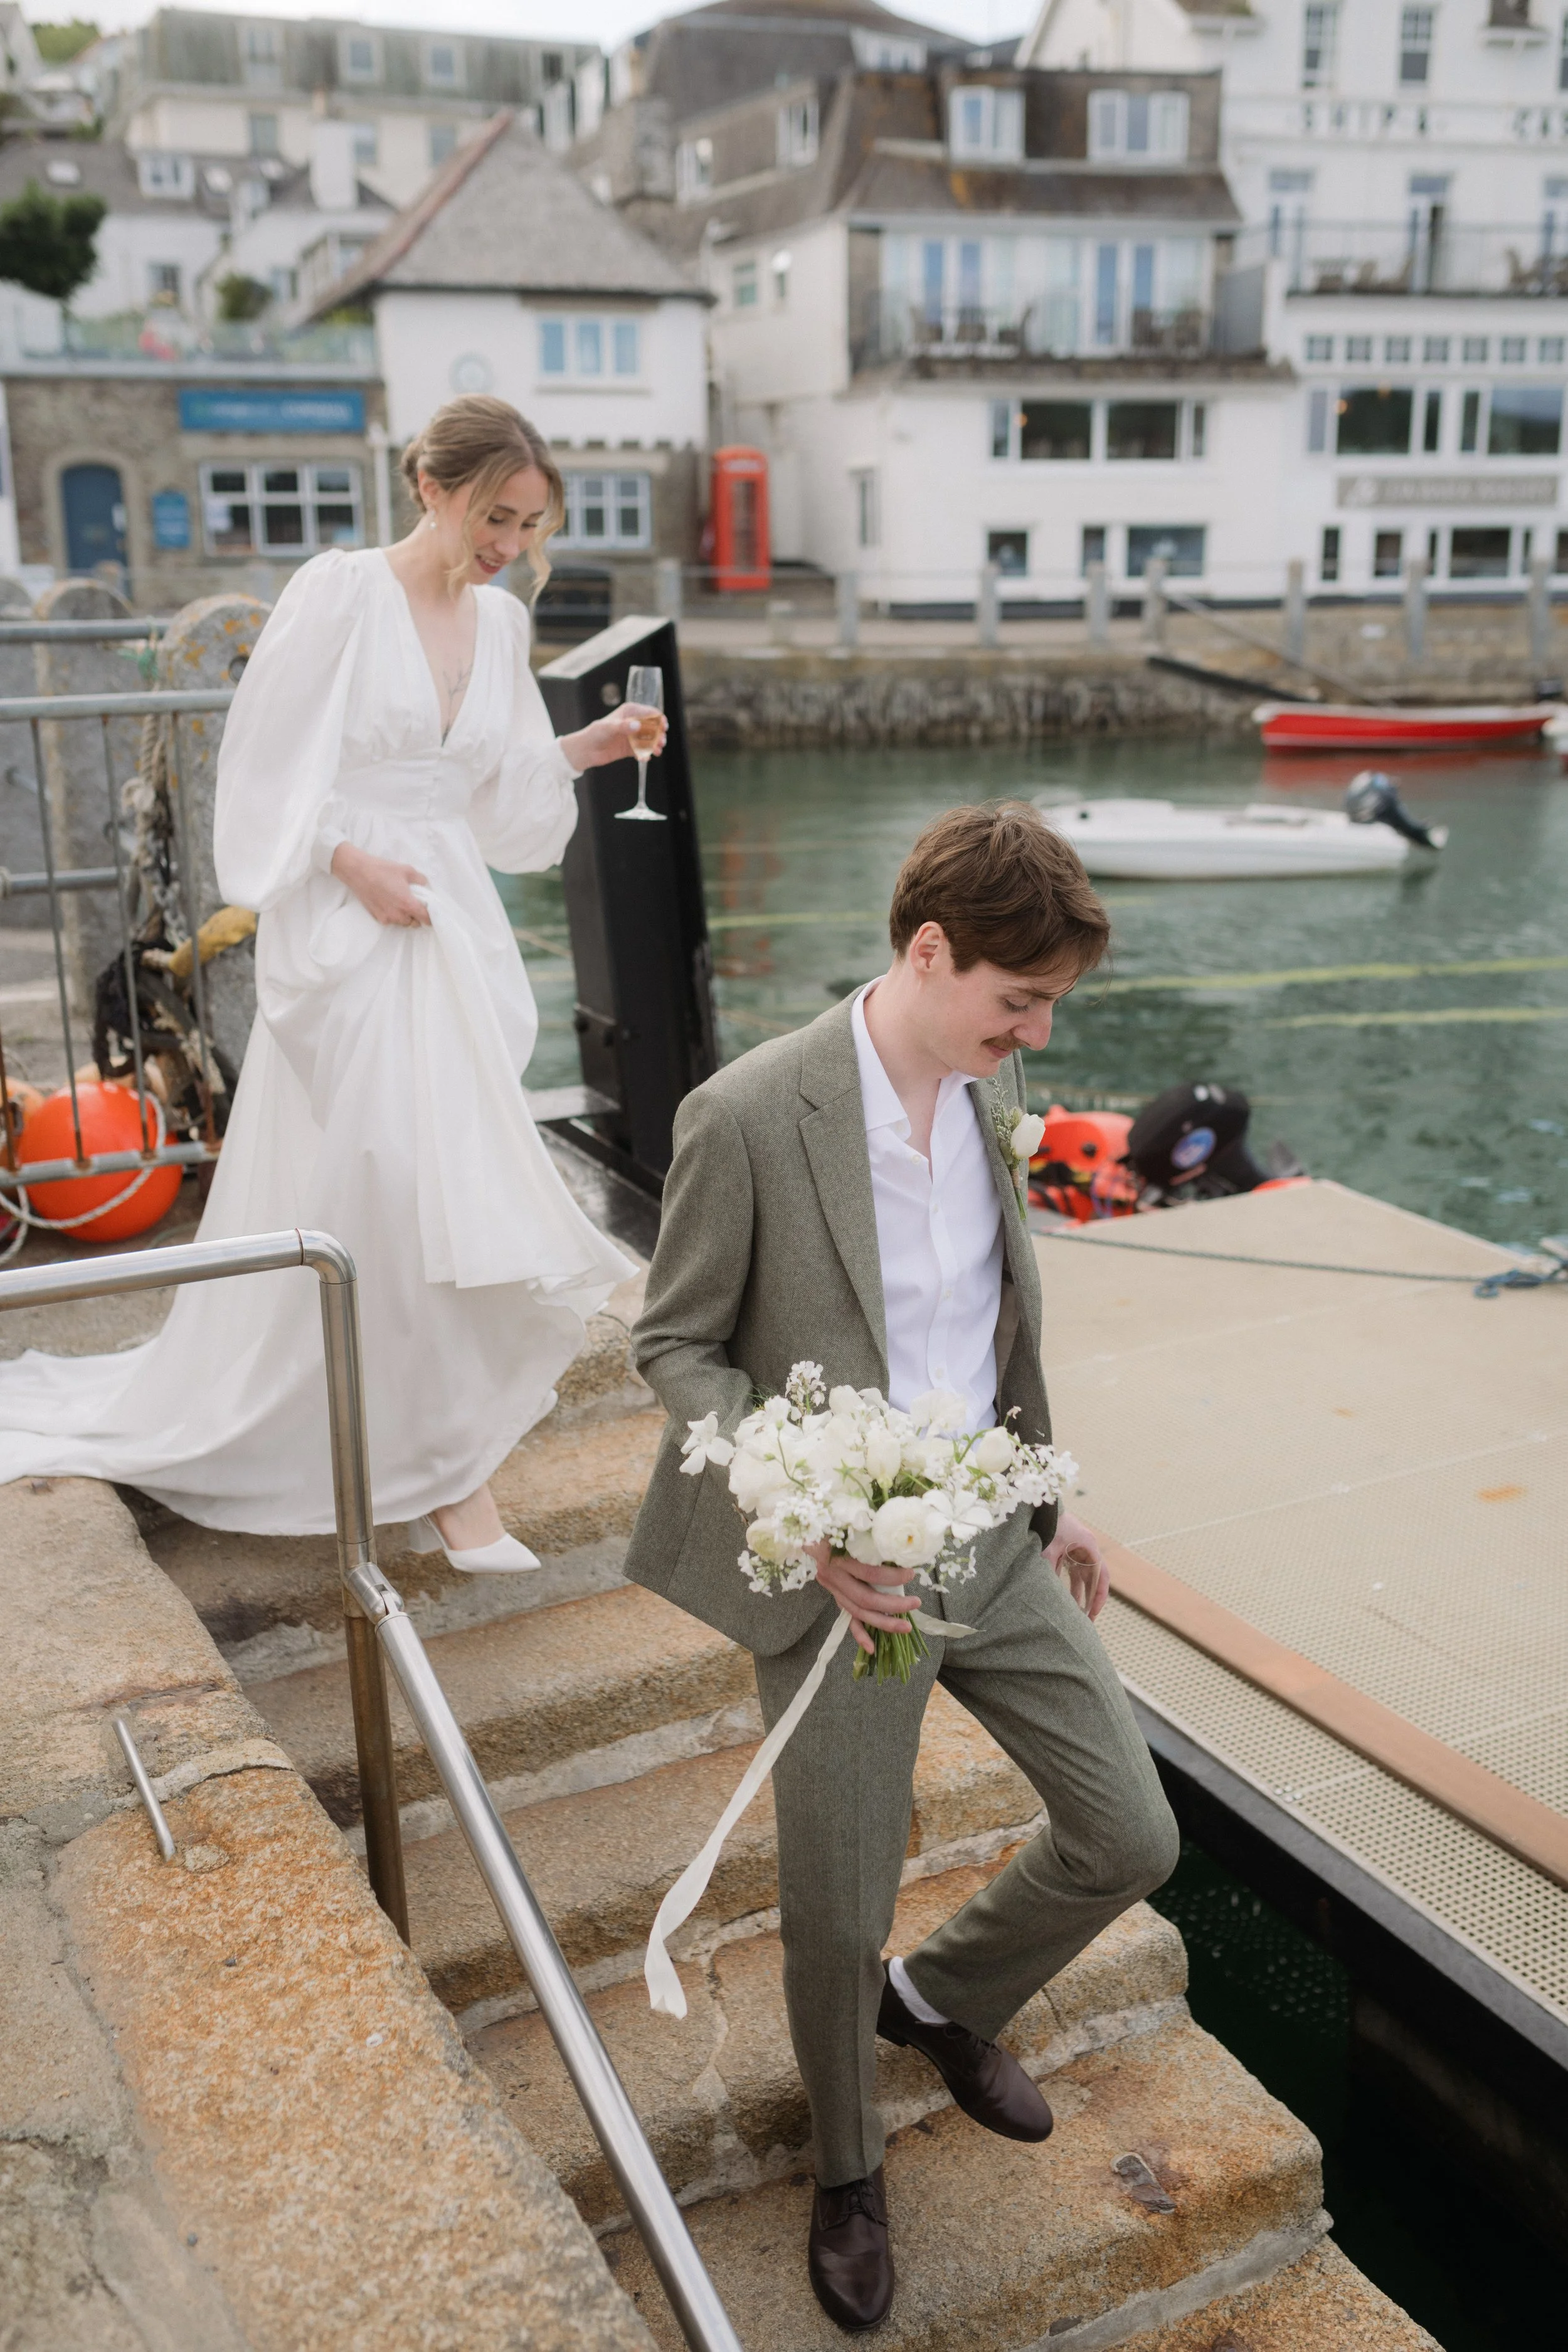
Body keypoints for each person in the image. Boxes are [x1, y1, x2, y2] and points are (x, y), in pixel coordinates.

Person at [625, 801, 1180, 2332]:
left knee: (1129, 1833)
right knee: (833, 1895)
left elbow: (991, 1316)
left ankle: (937, 2002)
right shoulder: (746, 1115)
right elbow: (668, 1341)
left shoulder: (997, 1090)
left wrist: (1051, 1487)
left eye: (1049, 1004)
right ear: (928, 953)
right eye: (1018, 1001)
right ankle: (845, 2169)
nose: (1036, 1030)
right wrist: (796, 1518)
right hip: (840, 1573)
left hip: (992, 1534)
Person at [0, 395, 650, 1563]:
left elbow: (492, 798)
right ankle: (451, 1483)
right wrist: (345, 862)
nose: (509, 543)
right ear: (435, 489)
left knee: (424, 1191)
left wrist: (584, 749)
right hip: (349, 919)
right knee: (386, 1180)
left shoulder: (500, 625)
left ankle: (439, 1453)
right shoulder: (342, 591)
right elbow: (261, 767)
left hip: (448, 918)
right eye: (494, 515)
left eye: (529, 523)